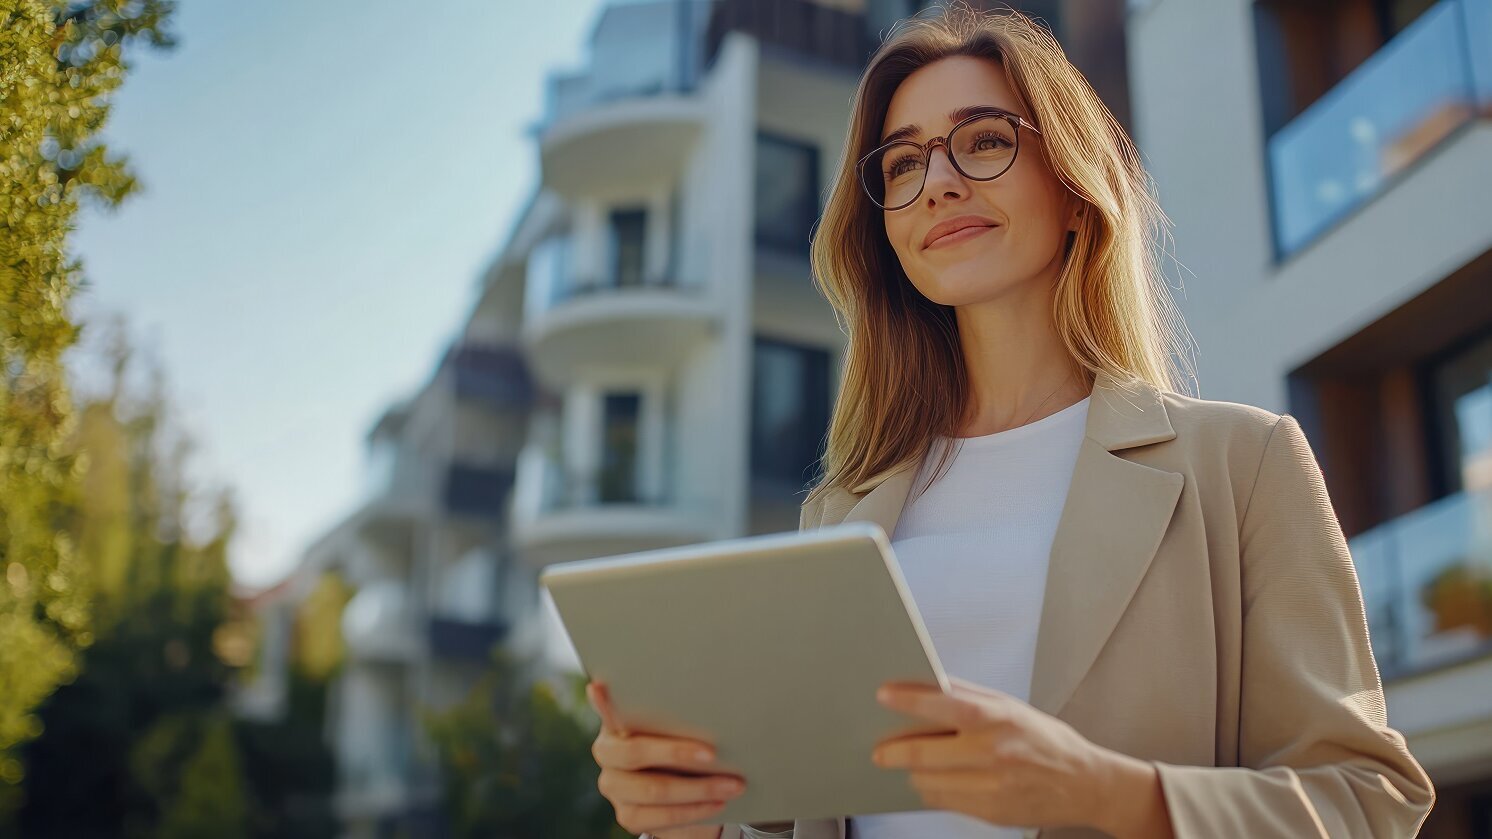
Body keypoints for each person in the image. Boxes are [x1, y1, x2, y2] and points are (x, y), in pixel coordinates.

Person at [586, 3, 1436, 837]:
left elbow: (1368, 801)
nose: (941, 180)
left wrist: (1105, 792)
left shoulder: (1242, 463)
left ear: (1073, 189)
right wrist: (689, 817)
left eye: (985, 139)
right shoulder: (840, 511)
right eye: (903, 164)